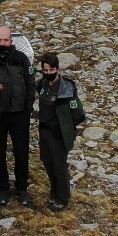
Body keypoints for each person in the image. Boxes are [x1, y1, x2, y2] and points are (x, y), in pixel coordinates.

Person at [0, 24, 36, 206]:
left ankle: (22, 188)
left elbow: (30, 82)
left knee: (21, 152)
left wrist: (27, 108)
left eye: (6, 40)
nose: (2, 43)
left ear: (12, 41)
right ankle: (2, 188)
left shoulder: (21, 58)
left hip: (20, 114)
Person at [35, 52, 85, 211]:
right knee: (48, 163)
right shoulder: (42, 84)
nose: (48, 73)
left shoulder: (66, 89)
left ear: (58, 69)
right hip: (44, 131)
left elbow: (78, 114)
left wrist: (67, 127)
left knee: (59, 166)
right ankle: (54, 192)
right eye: (46, 70)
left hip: (58, 134)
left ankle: (63, 198)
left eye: (51, 70)